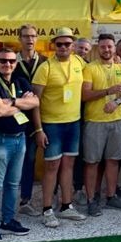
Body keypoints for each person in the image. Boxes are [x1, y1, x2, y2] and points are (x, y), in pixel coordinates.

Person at [0, 48, 39, 242]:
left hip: (19, 137)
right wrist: (22, 103)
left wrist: (12, 101)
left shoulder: (20, 81)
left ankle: (9, 220)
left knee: (13, 184)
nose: (8, 65)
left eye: (12, 61)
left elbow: (36, 102)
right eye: (3, 61)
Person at [31, 27, 87, 227]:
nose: (63, 47)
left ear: (73, 46)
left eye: (67, 44)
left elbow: (94, 70)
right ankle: (47, 209)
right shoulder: (45, 68)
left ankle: (66, 205)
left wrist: (115, 60)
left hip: (73, 122)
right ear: (53, 45)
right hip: (52, 124)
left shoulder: (79, 62)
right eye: (59, 44)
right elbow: (34, 101)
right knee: (51, 166)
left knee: (69, 165)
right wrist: (39, 129)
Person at [80, 34, 121, 216]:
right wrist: (107, 92)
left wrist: (117, 102)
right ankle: (91, 200)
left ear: (114, 48)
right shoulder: (90, 68)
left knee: (113, 161)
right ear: (98, 48)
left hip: (118, 121)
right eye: (103, 47)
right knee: (92, 162)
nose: (107, 50)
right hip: (95, 122)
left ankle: (111, 196)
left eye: (110, 46)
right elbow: (84, 95)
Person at [14, 24, 48, 217]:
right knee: (22, 159)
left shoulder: (44, 61)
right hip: (16, 117)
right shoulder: (11, 61)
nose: (30, 39)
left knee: (41, 158)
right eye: (26, 36)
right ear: (20, 39)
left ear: (37, 39)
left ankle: (49, 197)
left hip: (43, 116)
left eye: (33, 36)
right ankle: (22, 199)